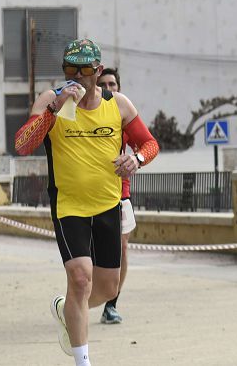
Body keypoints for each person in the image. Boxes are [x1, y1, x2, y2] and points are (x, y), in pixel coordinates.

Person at [15, 39, 160, 365]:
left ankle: (67, 309)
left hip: (108, 204)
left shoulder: (118, 104)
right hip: (69, 206)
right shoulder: (52, 100)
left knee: (107, 289)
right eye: (69, 70)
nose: (76, 77)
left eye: (83, 71)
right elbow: (24, 144)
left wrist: (136, 158)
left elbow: (150, 143)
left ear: (97, 71)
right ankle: (83, 360)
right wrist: (54, 109)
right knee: (81, 278)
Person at [97, 68, 131, 324]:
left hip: (121, 192)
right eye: (104, 84)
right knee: (91, 254)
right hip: (90, 194)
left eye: (113, 83)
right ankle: (81, 298)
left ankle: (112, 303)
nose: (109, 87)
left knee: (122, 248)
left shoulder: (125, 113)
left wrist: (135, 158)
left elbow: (147, 146)